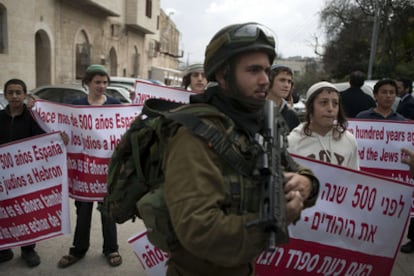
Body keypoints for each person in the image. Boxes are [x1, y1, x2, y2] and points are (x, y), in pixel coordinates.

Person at [163, 22, 320, 275]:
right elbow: (199, 230)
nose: (264, 80)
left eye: (267, 70)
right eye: (253, 70)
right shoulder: (194, 135)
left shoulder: (254, 122)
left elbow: (285, 165)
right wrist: (271, 223)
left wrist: (307, 183)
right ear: (223, 76)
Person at [58, 64, 122, 268]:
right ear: (87, 83)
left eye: (104, 82)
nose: (101, 86)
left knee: (108, 212)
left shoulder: (114, 105)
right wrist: (64, 137)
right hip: (84, 171)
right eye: (97, 82)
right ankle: (78, 249)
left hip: (106, 171)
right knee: (83, 212)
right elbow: (66, 132)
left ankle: (111, 249)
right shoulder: (75, 106)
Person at [0, 79, 45, 267]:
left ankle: (28, 249)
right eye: (11, 93)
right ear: (5, 95)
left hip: (26, 177)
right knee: (4, 212)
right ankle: (4, 248)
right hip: (2, 176)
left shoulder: (33, 117)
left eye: (18, 92)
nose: (15, 96)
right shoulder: (0, 117)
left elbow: (44, 140)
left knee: (26, 213)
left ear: (25, 95)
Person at [288, 81, 359, 170]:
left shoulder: (349, 140)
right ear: (310, 106)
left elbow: (353, 179)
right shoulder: (294, 140)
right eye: (323, 102)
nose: (330, 109)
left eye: (335, 103)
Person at [267, 64, 300, 131]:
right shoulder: (254, 111)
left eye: (289, 81)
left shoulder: (292, 116)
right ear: (269, 82)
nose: (286, 85)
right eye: (282, 80)